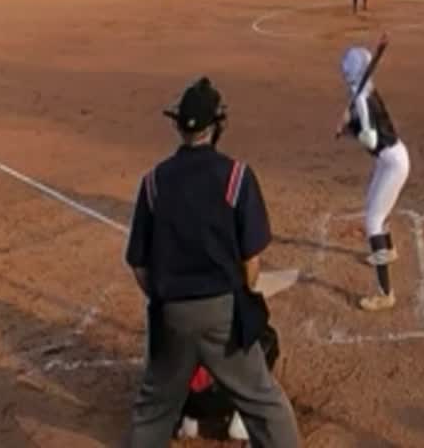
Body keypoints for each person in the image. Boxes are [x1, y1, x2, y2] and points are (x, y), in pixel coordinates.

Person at [125, 78, 301, 447]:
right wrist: (244, 298)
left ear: (179, 127)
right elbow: (251, 262)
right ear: (216, 126)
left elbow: (140, 266)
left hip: (172, 313)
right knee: (264, 402)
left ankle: (183, 418)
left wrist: (166, 298)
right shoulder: (236, 176)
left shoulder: (154, 181)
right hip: (222, 311)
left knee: (152, 408)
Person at [334, 38, 410, 312]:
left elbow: (370, 139)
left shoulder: (362, 98)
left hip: (393, 163)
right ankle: (388, 250)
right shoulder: (365, 92)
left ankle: (384, 294)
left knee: (373, 220)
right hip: (389, 161)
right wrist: (351, 125)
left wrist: (350, 128)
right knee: (373, 207)